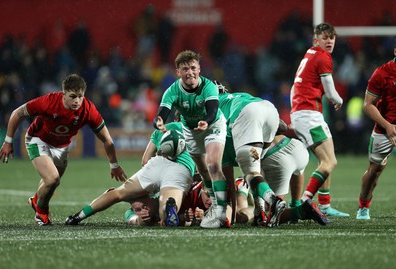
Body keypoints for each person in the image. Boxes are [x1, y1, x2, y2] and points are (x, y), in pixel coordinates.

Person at [0, 74, 127, 226]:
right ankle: (42, 212)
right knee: (52, 178)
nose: (77, 101)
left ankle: (36, 200)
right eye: (72, 96)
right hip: (38, 139)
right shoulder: (48, 102)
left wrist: (114, 164)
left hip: (62, 146)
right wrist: (8, 141)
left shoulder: (88, 109)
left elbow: (107, 140)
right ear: (63, 94)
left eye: (80, 96)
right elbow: (16, 114)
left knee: (52, 183)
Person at [65, 122, 196, 227]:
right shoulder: (197, 135)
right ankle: (167, 211)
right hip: (181, 169)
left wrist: (150, 184)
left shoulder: (163, 129)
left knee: (117, 193)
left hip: (158, 163)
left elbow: (145, 160)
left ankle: (78, 216)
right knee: (165, 212)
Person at [153, 50, 228, 229]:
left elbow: (212, 111)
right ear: (178, 72)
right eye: (185, 69)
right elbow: (160, 115)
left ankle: (222, 212)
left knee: (213, 164)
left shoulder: (209, 86)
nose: (190, 72)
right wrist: (159, 123)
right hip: (190, 130)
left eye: (193, 68)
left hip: (213, 125)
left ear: (199, 69)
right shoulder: (172, 91)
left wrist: (206, 122)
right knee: (202, 169)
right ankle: (215, 203)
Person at [290, 22, 349, 217]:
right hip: (309, 115)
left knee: (326, 160)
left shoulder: (310, 54)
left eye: (332, 38)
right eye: (325, 38)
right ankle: (306, 201)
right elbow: (331, 92)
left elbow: (294, 87)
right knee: (329, 162)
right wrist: (339, 101)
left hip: (305, 113)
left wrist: (295, 111)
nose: (329, 41)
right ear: (316, 40)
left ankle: (324, 205)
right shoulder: (323, 57)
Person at [216, 81, 287, 227]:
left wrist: (233, 214)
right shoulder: (237, 96)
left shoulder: (213, 110)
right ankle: (259, 213)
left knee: (250, 173)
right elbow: (283, 127)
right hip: (269, 109)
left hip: (247, 116)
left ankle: (273, 200)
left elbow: (228, 181)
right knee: (255, 167)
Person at [356, 44, 396, 220]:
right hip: (385, 129)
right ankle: (363, 206)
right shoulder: (382, 73)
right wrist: (387, 126)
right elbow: (367, 105)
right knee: (374, 172)